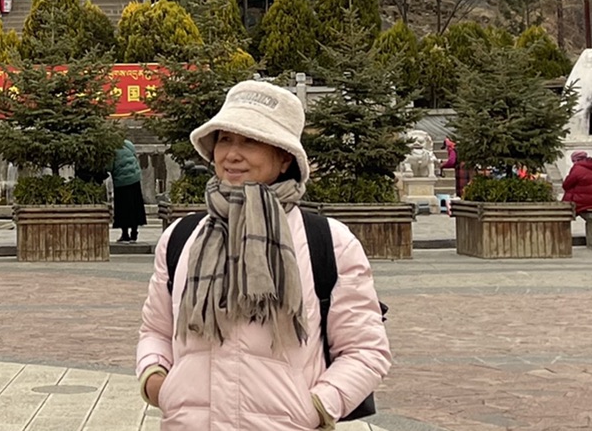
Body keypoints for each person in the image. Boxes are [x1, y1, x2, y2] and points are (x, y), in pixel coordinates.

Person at [137, 81, 390, 429]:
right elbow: (155, 330)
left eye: (250, 140)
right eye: (225, 139)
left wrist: (317, 406)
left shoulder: (328, 242)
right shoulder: (182, 237)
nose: (232, 154)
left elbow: (366, 351)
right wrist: (156, 382)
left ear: (284, 155)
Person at [113, 138, 146, 243]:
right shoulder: (128, 144)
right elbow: (135, 157)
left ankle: (125, 233)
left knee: (122, 208)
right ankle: (134, 233)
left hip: (121, 181)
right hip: (135, 178)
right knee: (135, 206)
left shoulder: (110, 149)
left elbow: (109, 166)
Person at [560, 151, 592, 216]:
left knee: (562, 213)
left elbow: (566, 185)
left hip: (579, 203)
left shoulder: (577, 169)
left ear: (576, 160)